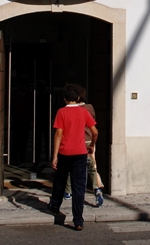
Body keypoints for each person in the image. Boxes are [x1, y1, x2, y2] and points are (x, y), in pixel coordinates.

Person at [47, 83, 97, 231]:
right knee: (79, 187)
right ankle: (78, 220)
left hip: (64, 152)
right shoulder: (83, 112)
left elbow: (58, 134)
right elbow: (95, 131)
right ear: (79, 97)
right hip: (80, 152)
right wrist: (92, 145)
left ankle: (55, 206)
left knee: (60, 181)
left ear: (64, 98)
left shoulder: (61, 112)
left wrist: (54, 155)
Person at [63, 92, 105, 208]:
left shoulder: (72, 110)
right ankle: (97, 188)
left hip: (77, 140)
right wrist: (92, 144)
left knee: (71, 166)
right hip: (89, 140)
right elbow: (94, 127)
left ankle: (68, 191)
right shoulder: (90, 107)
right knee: (92, 167)